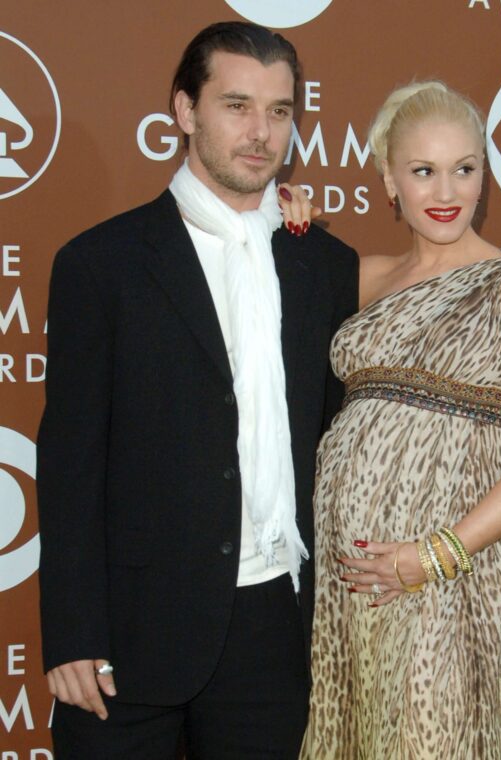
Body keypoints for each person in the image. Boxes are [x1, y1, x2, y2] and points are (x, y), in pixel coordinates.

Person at [36, 21, 358, 760]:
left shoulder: (322, 264)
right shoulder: (102, 263)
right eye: (236, 105)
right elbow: (71, 460)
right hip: (130, 633)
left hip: (276, 630)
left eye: (280, 111)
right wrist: (73, 633)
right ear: (184, 110)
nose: (261, 132)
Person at [288, 81, 501, 758]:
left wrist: (430, 558)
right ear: (388, 181)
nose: (446, 189)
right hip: (346, 592)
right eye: (423, 171)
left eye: (464, 167)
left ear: (484, 173)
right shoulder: (359, 277)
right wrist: (283, 223)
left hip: (446, 583)